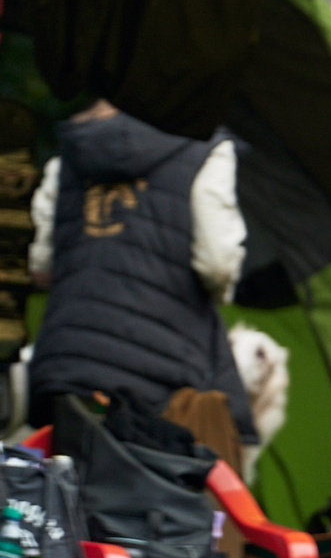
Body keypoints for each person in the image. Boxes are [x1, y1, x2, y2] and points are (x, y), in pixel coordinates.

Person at [26, 100, 253, 440]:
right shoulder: (206, 150)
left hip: (67, 361)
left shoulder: (71, 153)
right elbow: (218, 265)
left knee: (67, 480)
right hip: (161, 369)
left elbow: (41, 265)